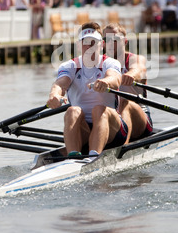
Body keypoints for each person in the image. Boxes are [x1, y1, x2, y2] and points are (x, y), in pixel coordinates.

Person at [46, 22, 129, 159]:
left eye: (93, 42)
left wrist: (105, 82)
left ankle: (93, 157)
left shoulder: (110, 62)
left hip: (113, 131)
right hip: (83, 130)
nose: (89, 46)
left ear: (101, 44)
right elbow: (60, 84)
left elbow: (115, 79)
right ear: (79, 45)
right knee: (72, 111)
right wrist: (54, 95)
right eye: (85, 42)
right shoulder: (70, 66)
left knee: (99, 109)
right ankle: (73, 158)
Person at [102, 22, 153, 143]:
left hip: (139, 119)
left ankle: (123, 146)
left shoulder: (134, 59)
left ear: (125, 41)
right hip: (112, 116)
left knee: (125, 101)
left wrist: (131, 75)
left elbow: (139, 69)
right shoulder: (99, 63)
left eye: (115, 39)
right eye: (106, 39)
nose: (110, 43)